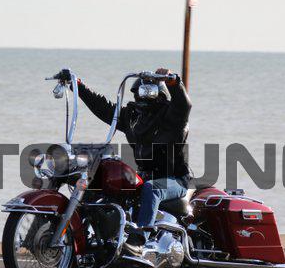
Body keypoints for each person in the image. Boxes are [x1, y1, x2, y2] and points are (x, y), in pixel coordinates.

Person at [57, 68, 192, 227]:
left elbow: (184, 104)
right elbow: (103, 107)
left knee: (152, 188)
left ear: (160, 95)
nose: (142, 97)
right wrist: (77, 85)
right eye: (139, 93)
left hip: (175, 179)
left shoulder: (173, 116)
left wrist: (174, 82)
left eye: (148, 93)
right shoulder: (133, 117)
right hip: (145, 175)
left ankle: (142, 235)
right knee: (105, 181)